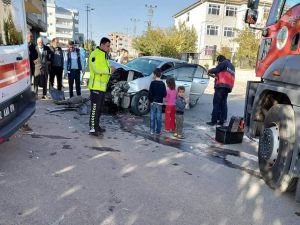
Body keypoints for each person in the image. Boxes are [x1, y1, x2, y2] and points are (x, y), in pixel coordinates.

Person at [88, 37, 114, 136]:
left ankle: (96, 126)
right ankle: (92, 128)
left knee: (99, 108)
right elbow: (96, 68)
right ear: (102, 45)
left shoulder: (105, 55)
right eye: (107, 46)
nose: (109, 48)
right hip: (95, 87)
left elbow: (105, 68)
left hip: (102, 87)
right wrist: (109, 70)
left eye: (109, 46)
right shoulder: (95, 54)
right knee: (95, 108)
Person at [206, 55, 235, 126]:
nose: (218, 63)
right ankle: (222, 121)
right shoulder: (232, 66)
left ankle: (214, 121)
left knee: (216, 103)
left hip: (221, 86)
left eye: (218, 62)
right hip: (228, 87)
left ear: (219, 60)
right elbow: (220, 73)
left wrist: (209, 71)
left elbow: (216, 70)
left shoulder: (223, 63)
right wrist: (214, 75)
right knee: (223, 104)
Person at [149, 68, 167, 135]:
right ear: (160, 74)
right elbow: (165, 94)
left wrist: (150, 101)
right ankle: (158, 131)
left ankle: (152, 130)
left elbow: (150, 93)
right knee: (159, 118)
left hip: (153, 102)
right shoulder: (162, 84)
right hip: (159, 103)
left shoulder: (152, 83)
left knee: (152, 117)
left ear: (155, 74)